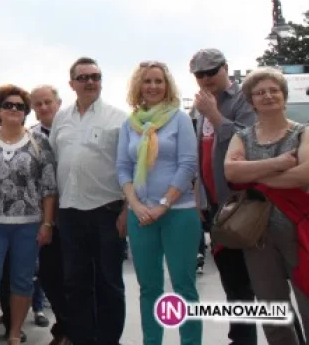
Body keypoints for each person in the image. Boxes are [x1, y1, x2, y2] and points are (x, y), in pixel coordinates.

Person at [116, 62, 201, 345]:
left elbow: (188, 165)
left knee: (184, 286)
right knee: (149, 288)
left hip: (178, 212)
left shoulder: (179, 119)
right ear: (138, 86)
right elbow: (122, 168)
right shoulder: (130, 124)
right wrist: (136, 205)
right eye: (147, 81)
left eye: (159, 81)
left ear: (167, 86)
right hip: (140, 215)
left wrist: (163, 204)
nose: (153, 86)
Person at [224, 68, 309, 345]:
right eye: (260, 93)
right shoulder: (242, 136)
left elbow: (304, 175)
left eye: (274, 90)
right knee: (273, 313)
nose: (268, 96)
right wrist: (278, 164)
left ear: (284, 96)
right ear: (251, 102)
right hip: (256, 235)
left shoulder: (303, 133)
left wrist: (254, 174)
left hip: (300, 231)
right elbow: (231, 172)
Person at [0, 85, 57, 345]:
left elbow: (49, 187)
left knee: (22, 281)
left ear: (26, 112)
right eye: (8, 105)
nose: (14, 109)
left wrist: (47, 223)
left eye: (20, 106)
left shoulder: (39, 142)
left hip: (28, 226)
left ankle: (15, 333)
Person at [49, 57, 129, 345]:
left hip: (107, 211)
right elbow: (54, 160)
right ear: (72, 83)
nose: (90, 82)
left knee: (109, 282)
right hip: (70, 212)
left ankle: (109, 340)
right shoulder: (61, 118)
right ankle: (82, 338)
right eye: (83, 77)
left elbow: (131, 167)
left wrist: (126, 210)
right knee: (75, 282)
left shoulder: (119, 118)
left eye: (95, 76)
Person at [190, 48, 259, 345]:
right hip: (216, 205)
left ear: (225, 68)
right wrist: (199, 197)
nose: (206, 79)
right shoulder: (199, 106)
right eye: (200, 74)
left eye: (211, 72)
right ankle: (240, 338)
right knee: (232, 279)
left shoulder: (243, 98)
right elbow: (199, 156)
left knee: (260, 282)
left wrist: (215, 115)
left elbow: (250, 141)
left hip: (245, 203)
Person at [28, 85, 70, 345]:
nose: (44, 107)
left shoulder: (72, 130)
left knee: (75, 276)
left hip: (73, 213)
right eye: (38, 104)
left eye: (48, 102)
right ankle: (64, 326)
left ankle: (74, 330)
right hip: (43, 217)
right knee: (49, 274)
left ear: (58, 102)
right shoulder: (30, 137)